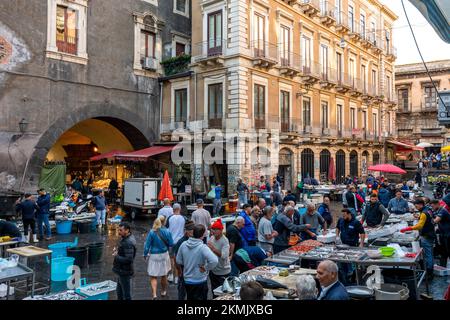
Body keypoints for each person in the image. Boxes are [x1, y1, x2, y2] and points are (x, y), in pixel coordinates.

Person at [176, 224, 218, 300]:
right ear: (202, 235)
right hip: (200, 281)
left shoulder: (183, 244)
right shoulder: (202, 247)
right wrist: (205, 268)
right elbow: (214, 260)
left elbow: (178, 261)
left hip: (188, 281)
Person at [400, 199, 436, 280]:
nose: (416, 208)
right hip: (430, 234)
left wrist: (408, 228)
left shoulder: (424, 213)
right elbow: (429, 219)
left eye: (416, 206)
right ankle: (429, 271)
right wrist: (419, 217)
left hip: (427, 235)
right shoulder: (428, 210)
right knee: (429, 253)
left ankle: (429, 273)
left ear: (421, 205)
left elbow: (419, 226)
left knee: (428, 254)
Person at [143, 216, 174, 299]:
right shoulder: (167, 231)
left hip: (154, 255)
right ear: (164, 222)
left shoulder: (152, 232)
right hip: (164, 255)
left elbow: (147, 245)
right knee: (164, 275)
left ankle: (154, 294)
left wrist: (145, 254)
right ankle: (163, 291)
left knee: (153, 276)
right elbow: (171, 243)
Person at [336, 209, 366, 284]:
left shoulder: (356, 222)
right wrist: (337, 236)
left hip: (352, 246)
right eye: (342, 215)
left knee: (352, 264)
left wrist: (361, 243)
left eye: (344, 215)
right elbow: (337, 227)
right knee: (342, 263)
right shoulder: (341, 220)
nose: (343, 217)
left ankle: (353, 278)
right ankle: (344, 279)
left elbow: (362, 233)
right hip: (342, 246)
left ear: (349, 214)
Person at [112, 222, 136, 300]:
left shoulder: (128, 242)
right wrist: (118, 251)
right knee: (119, 293)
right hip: (121, 271)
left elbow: (129, 259)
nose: (119, 232)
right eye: (119, 230)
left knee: (126, 295)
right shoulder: (126, 239)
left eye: (121, 230)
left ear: (127, 230)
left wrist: (116, 256)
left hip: (124, 271)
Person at [207, 219, 231, 295]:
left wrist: (213, 249)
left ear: (221, 230)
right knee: (214, 292)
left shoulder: (225, 241)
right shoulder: (212, 238)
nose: (214, 231)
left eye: (216, 229)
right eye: (213, 229)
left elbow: (224, 256)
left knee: (222, 293)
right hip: (213, 270)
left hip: (223, 271)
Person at [173, 220, 195, 300]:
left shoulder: (195, 239)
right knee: (182, 291)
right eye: (190, 232)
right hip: (183, 269)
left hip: (191, 269)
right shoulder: (181, 242)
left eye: (193, 232)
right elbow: (175, 258)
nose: (192, 234)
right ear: (186, 231)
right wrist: (179, 270)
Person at [166, 203, 185, 284]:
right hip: (180, 241)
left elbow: (166, 229)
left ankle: (171, 275)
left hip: (171, 241)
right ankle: (177, 277)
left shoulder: (170, 218)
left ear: (173, 210)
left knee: (171, 259)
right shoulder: (184, 218)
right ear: (180, 209)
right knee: (178, 259)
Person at [431, 200, 450, 267]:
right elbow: (432, 217)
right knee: (443, 252)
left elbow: (435, 221)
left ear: (437, 204)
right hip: (443, 234)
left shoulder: (442, 210)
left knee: (448, 251)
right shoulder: (437, 210)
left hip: (448, 234)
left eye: (433, 206)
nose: (432, 207)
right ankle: (443, 267)